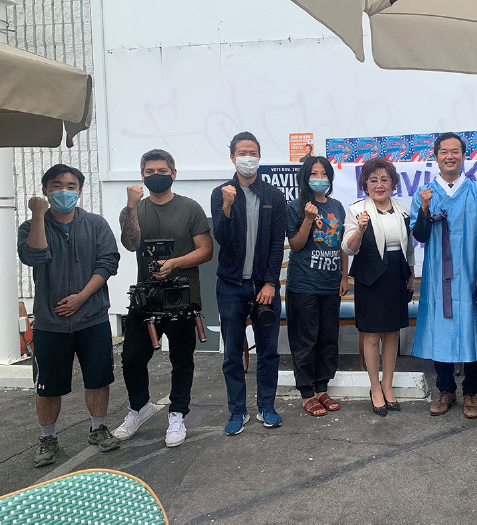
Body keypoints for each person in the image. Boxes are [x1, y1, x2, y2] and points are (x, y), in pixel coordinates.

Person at [18, 164, 121, 467]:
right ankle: (47, 438)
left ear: (80, 190)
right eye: (56, 185)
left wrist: (81, 297)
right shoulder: (30, 226)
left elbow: (108, 263)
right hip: (50, 323)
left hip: (92, 317)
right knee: (48, 385)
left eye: (71, 186)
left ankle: (98, 428)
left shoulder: (95, 224)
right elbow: (34, 256)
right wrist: (39, 215)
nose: (64, 191)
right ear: (45, 190)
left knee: (98, 379)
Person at [114, 149, 213, 447]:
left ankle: (177, 414)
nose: (156, 176)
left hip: (182, 296)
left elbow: (206, 250)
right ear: (142, 175)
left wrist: (174, 263)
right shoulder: (133, 210)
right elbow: (130, 244)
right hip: (146, 298)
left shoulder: (190, 208)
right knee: (132, 357)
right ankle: (139, 407)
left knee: (181, 359)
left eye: (162, 171)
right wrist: (132, 206)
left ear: (174, 173)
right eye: (150, 172)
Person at [411, 132, 477, 419]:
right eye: (444, 151)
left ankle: (471, 391)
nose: (449, 156)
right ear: (435, 156)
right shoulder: (425, 194)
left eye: (455, 151)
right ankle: (446, 389)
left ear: (464, 156)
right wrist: (424, 210)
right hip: (437, 276)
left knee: (472, 329)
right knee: (439, 330)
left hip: (470, 275)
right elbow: (420, 235)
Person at [211, 132, 287, 435]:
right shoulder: (221, 194)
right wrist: (227, 207)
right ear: (232, 157)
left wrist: (270, 283)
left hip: (263, 287)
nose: (248, 157)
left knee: (268, 350)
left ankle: (267, 406)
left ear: (259, 156)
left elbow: (277, 244)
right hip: (231, 286)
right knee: (232, 352)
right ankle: (237, 410)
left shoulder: (273, 196)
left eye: (253, 152)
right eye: (242, 153)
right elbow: (222, 238)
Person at [343, 158, 415, 416]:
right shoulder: (356, 210)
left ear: (393, 183)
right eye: (373, 180)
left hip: (396, 275)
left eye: (384, 179)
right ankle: (375, 388)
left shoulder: (402, 209)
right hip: (370, 278)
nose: (379, 185)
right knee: (372, 335)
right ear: (365, 184)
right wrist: (360, 230)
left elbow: (408, 247)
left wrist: (410, 275)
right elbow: (348, 248)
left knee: (392, 333)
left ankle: (388, 385)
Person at [285, 156, 349, 416]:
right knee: (305, 340)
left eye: (324, 174)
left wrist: (344, 277)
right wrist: (309, 219)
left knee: (327, 338)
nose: (319, 178)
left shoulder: (337, 206)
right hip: (304, 285)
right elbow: (296, 245)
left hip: (331, 284)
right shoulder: (295, 207)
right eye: (314, 173)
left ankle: (322, 387)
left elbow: (343, 244)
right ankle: (306, 392)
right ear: (305, 177)